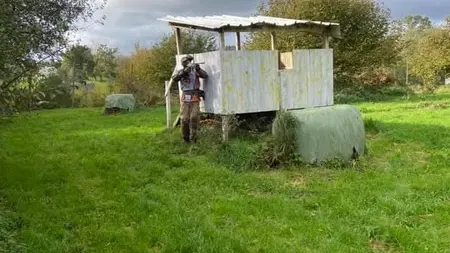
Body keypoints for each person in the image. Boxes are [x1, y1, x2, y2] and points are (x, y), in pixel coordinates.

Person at [172, 55, 208, 143]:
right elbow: (175, 78)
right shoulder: (180, 71)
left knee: (194, 117)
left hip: (195, 95)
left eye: (189, 62)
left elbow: (205, 75)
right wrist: (184, 72)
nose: (188, 64)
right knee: (184, 118)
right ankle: (185, 138)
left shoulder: (195, 71)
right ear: (183, 64)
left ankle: (194, 138)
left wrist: (198, 69)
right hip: (185, 96)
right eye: (186, 62)